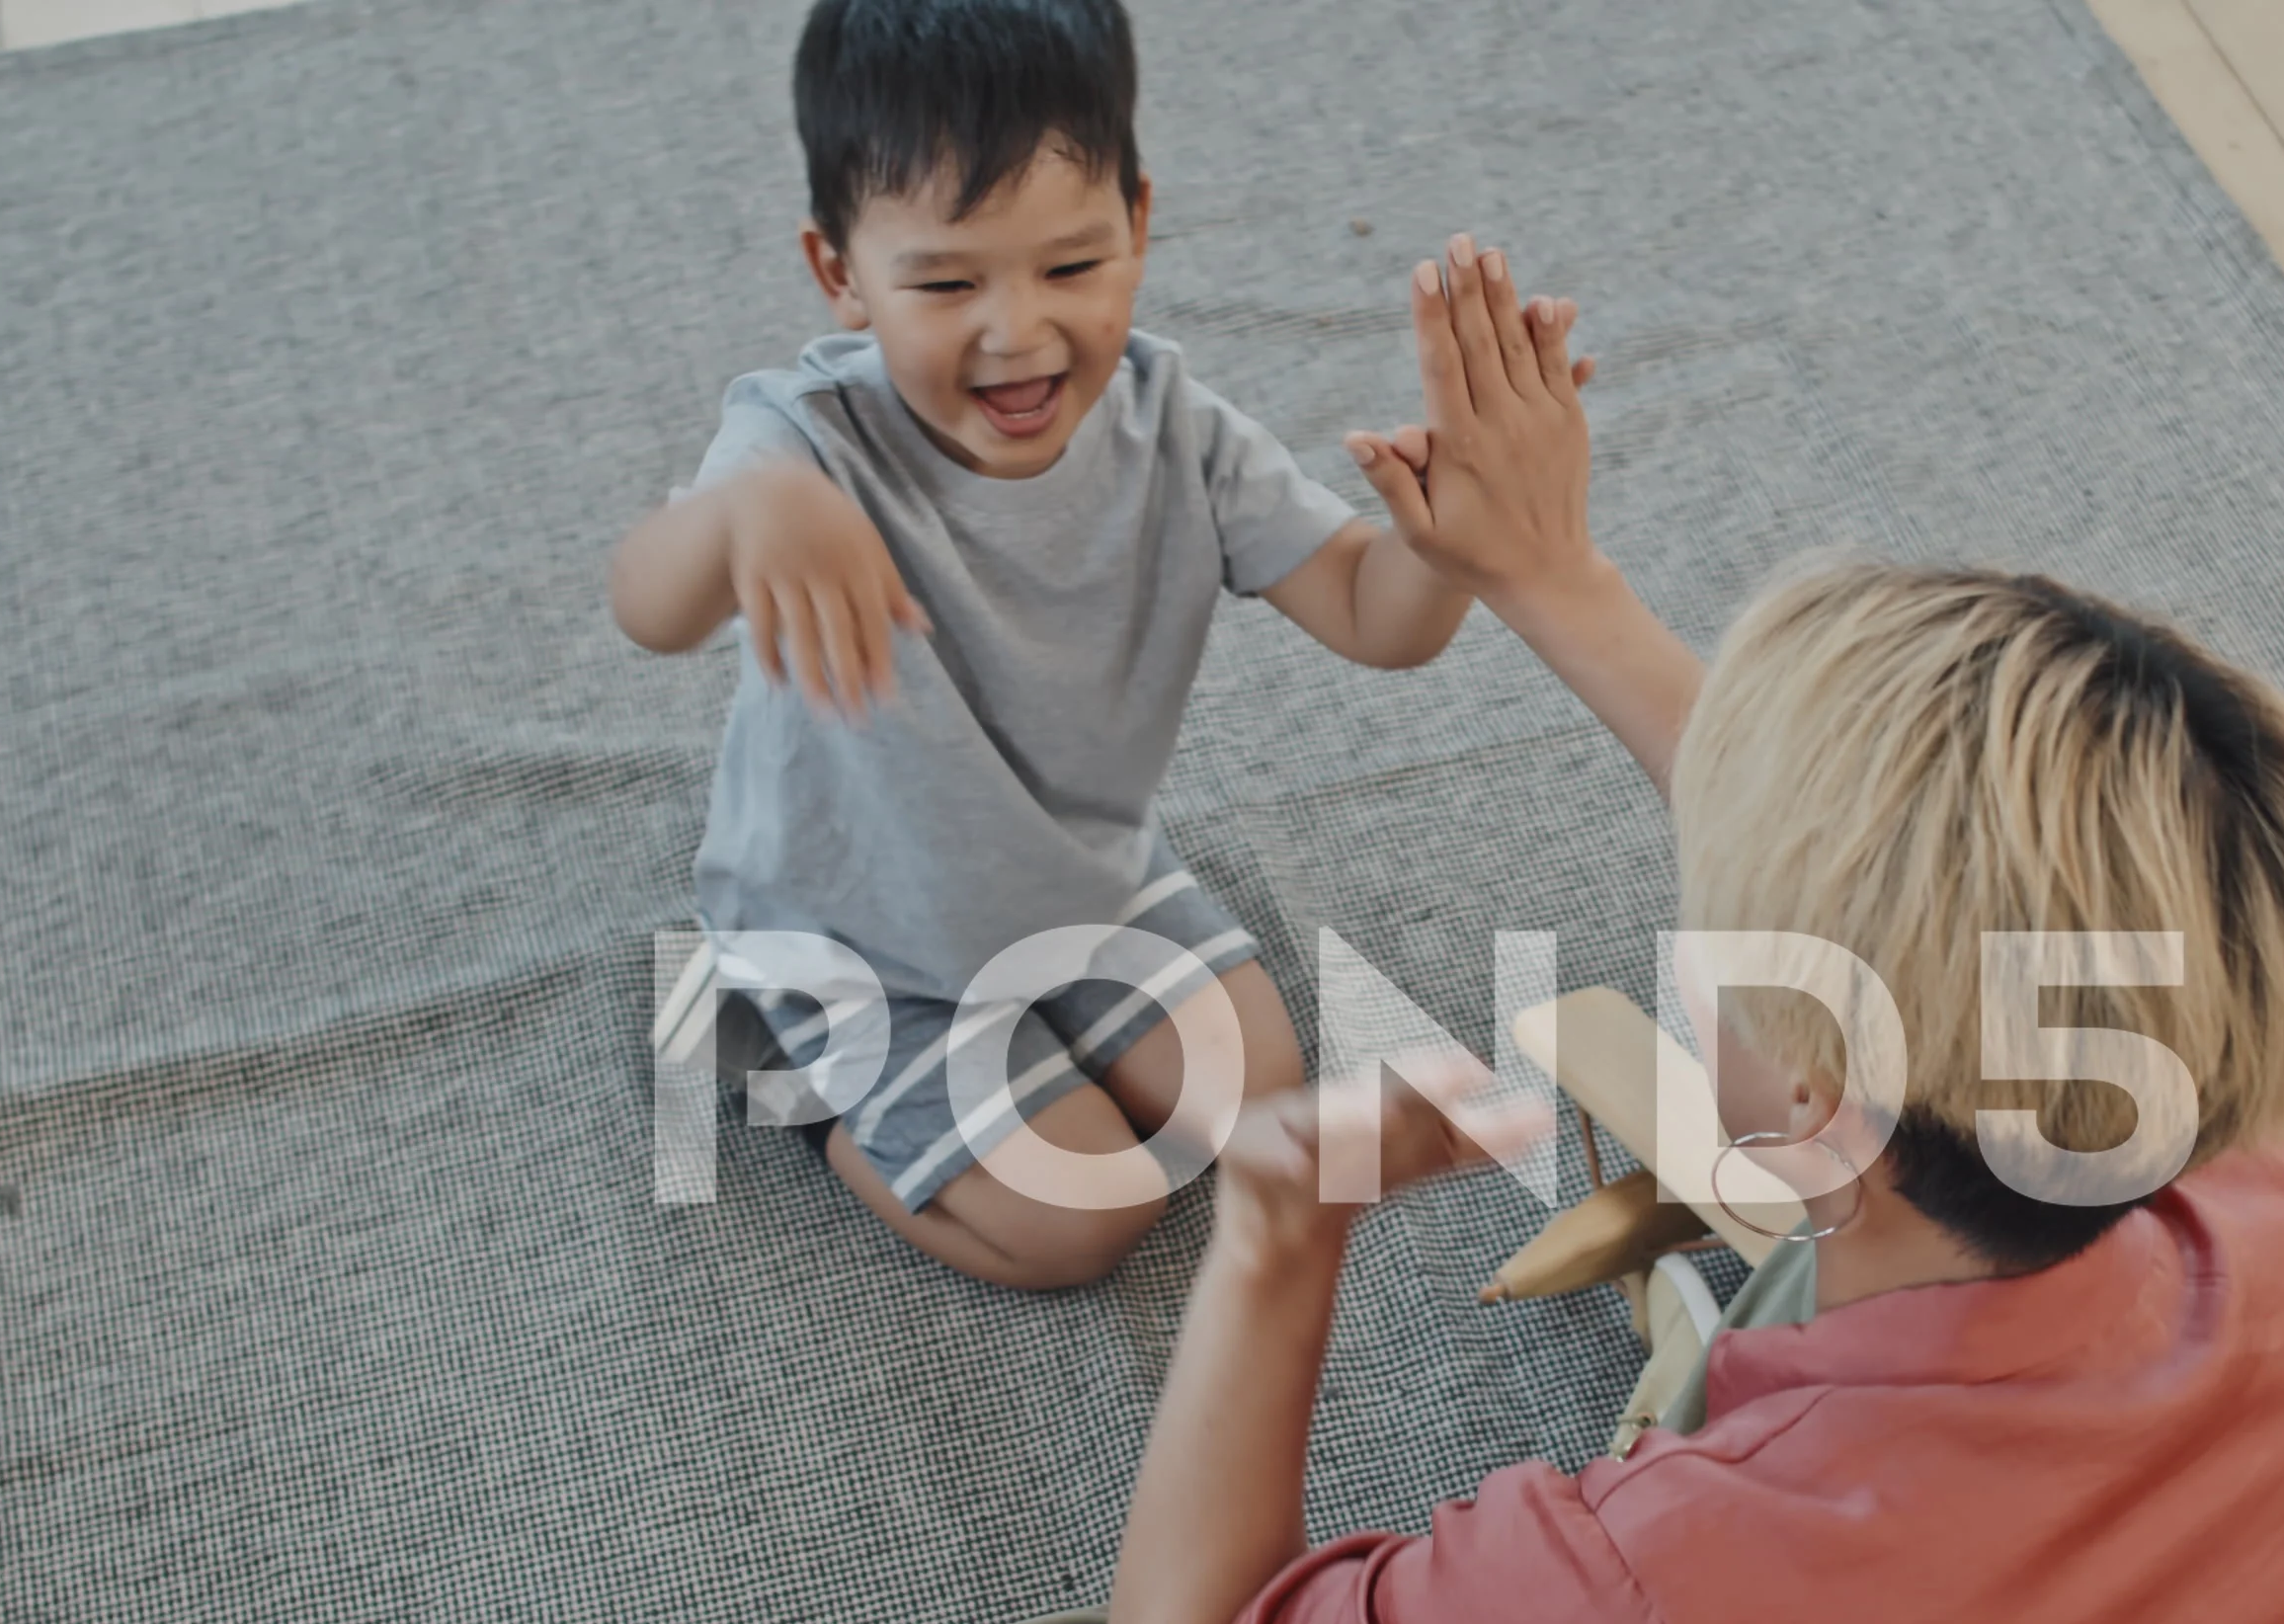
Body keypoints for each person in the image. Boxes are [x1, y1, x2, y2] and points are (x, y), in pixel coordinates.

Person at [860, 241, 2284, 1624]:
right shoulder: (2226, 1203)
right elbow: (1932, 938)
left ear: (1824, 1064)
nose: (1696, 943)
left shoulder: (1627, 1603)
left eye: (1719, 931)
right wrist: (1551, 577)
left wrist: (1275, 1235)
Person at [611, 0, 1573, 1288]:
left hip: (1085, 878)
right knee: (1085, 1218)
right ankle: (821, 1100)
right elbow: (646, 607)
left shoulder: (1174, 423)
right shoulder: (803, 446)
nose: (1019, 333)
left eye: (1071, 268)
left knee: (1257, 1091)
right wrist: (737, 516)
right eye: (948, 283)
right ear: (838, 271)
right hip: (857, 935)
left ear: (1138, 219)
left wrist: (1446, 546)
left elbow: (1368, 615)